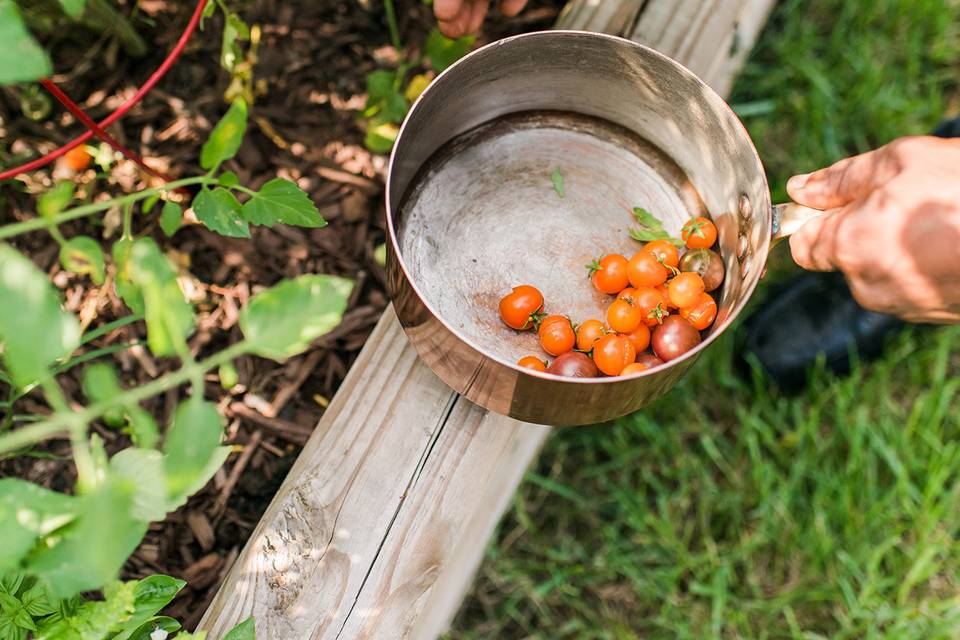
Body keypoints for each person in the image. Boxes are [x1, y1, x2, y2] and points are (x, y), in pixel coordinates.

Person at [431, 3, 960, 385]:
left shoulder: (641, 303)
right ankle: (905, 232)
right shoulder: (645, 296)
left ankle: (898, 262)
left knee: (923, 239)